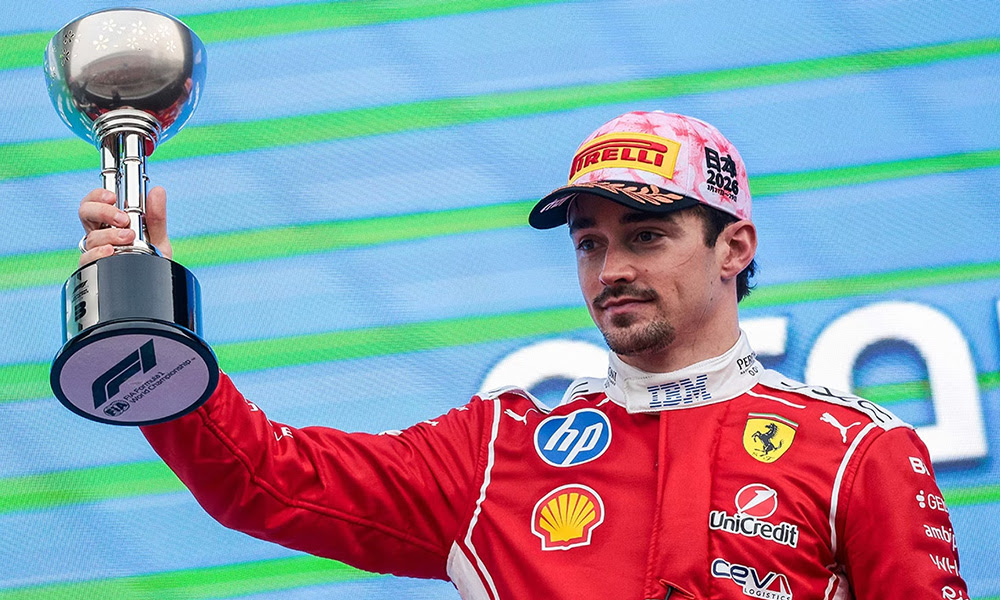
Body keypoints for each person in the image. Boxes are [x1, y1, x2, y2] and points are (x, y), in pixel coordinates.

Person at [77, 111, 967, 599]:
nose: (611, 270)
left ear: (734, 247)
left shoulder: (859, 453)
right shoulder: (496, 453)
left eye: (647, 236)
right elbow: (267, 482)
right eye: (590, 244)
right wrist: (147, 316)